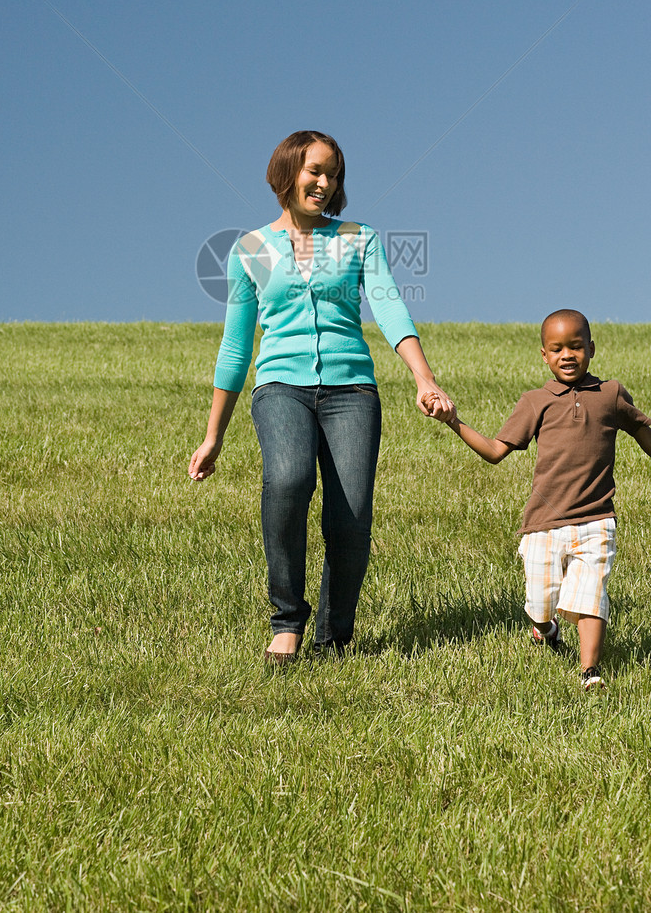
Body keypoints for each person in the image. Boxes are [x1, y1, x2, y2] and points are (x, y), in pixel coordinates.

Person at [189, 130, 455, 663]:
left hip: (352, 390)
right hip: (281, 388)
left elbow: (390, 307)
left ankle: (333, 638)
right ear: (287, 173)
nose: (325, 183)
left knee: (351, 517)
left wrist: (424, 378)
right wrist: (214, 434)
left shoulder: (359, 238)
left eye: (333, 174)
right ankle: (286, 619)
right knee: (288, 480)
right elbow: (237, 346)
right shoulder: (250, 251)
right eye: (315, 171)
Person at [423, 308, 651, 691]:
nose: (568, 355)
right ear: (544, 355)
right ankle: (544, 629)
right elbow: (496, 451)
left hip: (597, 520)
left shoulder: (610, 394)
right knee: (541, 603)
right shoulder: (534, 401)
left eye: (576, 346)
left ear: (591, 349)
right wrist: (453, 421)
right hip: (543, 523)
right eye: (557, 348)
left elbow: (647, 436)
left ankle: (589, 671)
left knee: (590, 596)